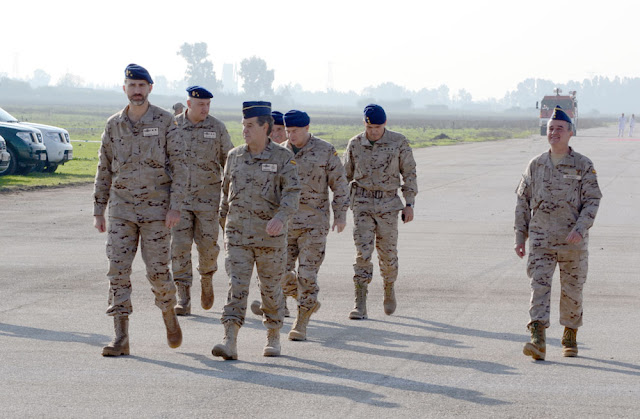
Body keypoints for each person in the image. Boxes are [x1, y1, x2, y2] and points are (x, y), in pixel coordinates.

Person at [93, 63, 187, 356]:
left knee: (158, 271)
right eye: (131, 86)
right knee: (117, 270)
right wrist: (99, 208)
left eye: (141, 86)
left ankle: (168, 314)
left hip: (157, 212)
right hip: (121, 210)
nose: (136, 91)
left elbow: (181, 167)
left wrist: (176, 207)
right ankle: (121, 337)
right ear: (125, 89)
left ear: (149, 88)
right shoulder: (113, 124)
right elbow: (104, 168)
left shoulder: (165, 121)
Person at [211, 101, 300, 360]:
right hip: (237, 236)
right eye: (243, 126)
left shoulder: (283, 158)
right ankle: (229, 340)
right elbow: (225, 195)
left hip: (269, 238)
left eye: (250, 126)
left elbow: (292, 194)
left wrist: (281, 218)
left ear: (266, 127)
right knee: (235, 287)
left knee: (271, 290)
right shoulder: (234, 156)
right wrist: (224, 226)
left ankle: (273, 336)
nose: (245, 131)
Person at [251, 110, 349, 341]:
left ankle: (301, 321)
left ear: (307, 128)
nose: (291, 135)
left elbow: (341, 185)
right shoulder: (278, 153)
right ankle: (307, 301)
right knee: (278, 273)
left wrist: (341, 215)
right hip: (284, 225)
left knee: (307, 275)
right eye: (288, 131)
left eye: (295, 131)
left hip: (314, 224)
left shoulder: (325, 151)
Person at [515, 106, 602, 361]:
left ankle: (570, 334)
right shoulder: (536, 164)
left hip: (571, 242)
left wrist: (580, 228)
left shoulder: (583, 165)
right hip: (541, 240)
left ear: (570, 133)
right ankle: (538, 339)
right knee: (538, 287)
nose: (554, 133)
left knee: (572, 291)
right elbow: (522, 201)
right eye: (551, 128)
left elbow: (593, 200)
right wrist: (520, 237)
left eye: (560, 129)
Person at [343, 104, 418, 320]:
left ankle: (388, 287)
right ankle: (360, 303)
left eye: (377, 127)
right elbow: (344, 176)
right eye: (370, 127)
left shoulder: (398, 142)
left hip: (388, 204)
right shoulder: (355, 144)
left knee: (388, 253)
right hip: (362, 204)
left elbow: (410, 173)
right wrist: (339, 205)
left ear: (385, 124)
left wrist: (409, 203)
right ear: (364, 124)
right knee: (363, 253)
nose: (373, 131)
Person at [171, 86, 233, 316]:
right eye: (200, 104)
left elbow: (229, 161)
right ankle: (183, 296)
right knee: (179, 247)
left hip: (208, 200)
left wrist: (231, 195)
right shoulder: (173, 126)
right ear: (189, 104)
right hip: (179, 201)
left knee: (208, 248)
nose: (205, 108)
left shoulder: (217, 128)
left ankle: (206, 278)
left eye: (208, 104)